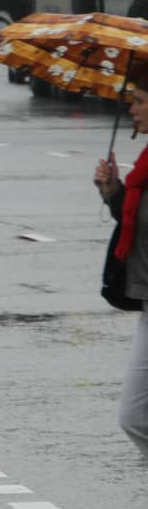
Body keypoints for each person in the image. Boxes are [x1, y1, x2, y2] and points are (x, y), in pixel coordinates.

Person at [92, 79, 148, 480]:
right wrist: (114, 192)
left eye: (141, 102)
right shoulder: (145, 164)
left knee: (136, 414)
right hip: (146, 299)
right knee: (134, 416)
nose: (133, 109)